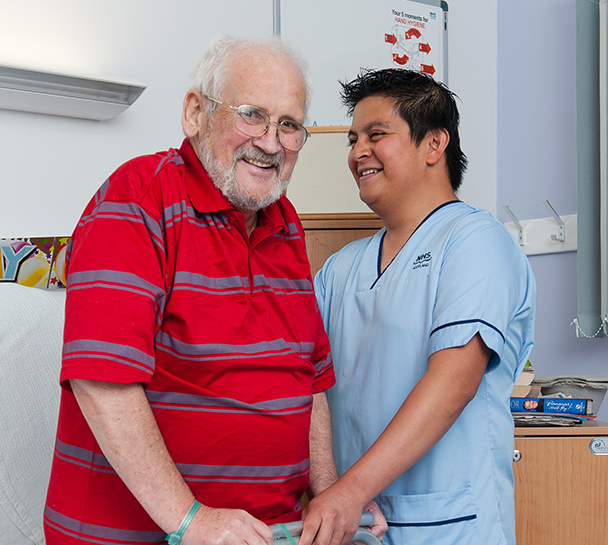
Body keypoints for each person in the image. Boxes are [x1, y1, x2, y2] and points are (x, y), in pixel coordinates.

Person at [44, 35, 384, 545]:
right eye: (251, 114)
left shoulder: (285, 222)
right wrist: (190, 520)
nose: (271, 143)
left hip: (271, 533)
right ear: (195, 113)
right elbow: (103, 382)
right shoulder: (138, 199)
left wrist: (332, 493)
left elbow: (307, 379)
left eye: (289, 125)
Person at [305, 69, 536, 545]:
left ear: (434, 145)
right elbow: (307, 383)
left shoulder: (475, 241)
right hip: (354, 523)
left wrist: (348, 492)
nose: (357, 152)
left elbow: (455, 380)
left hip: (447, 523)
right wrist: (331, 490)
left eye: (376, 135)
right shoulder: (338, 270)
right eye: (353, 139)